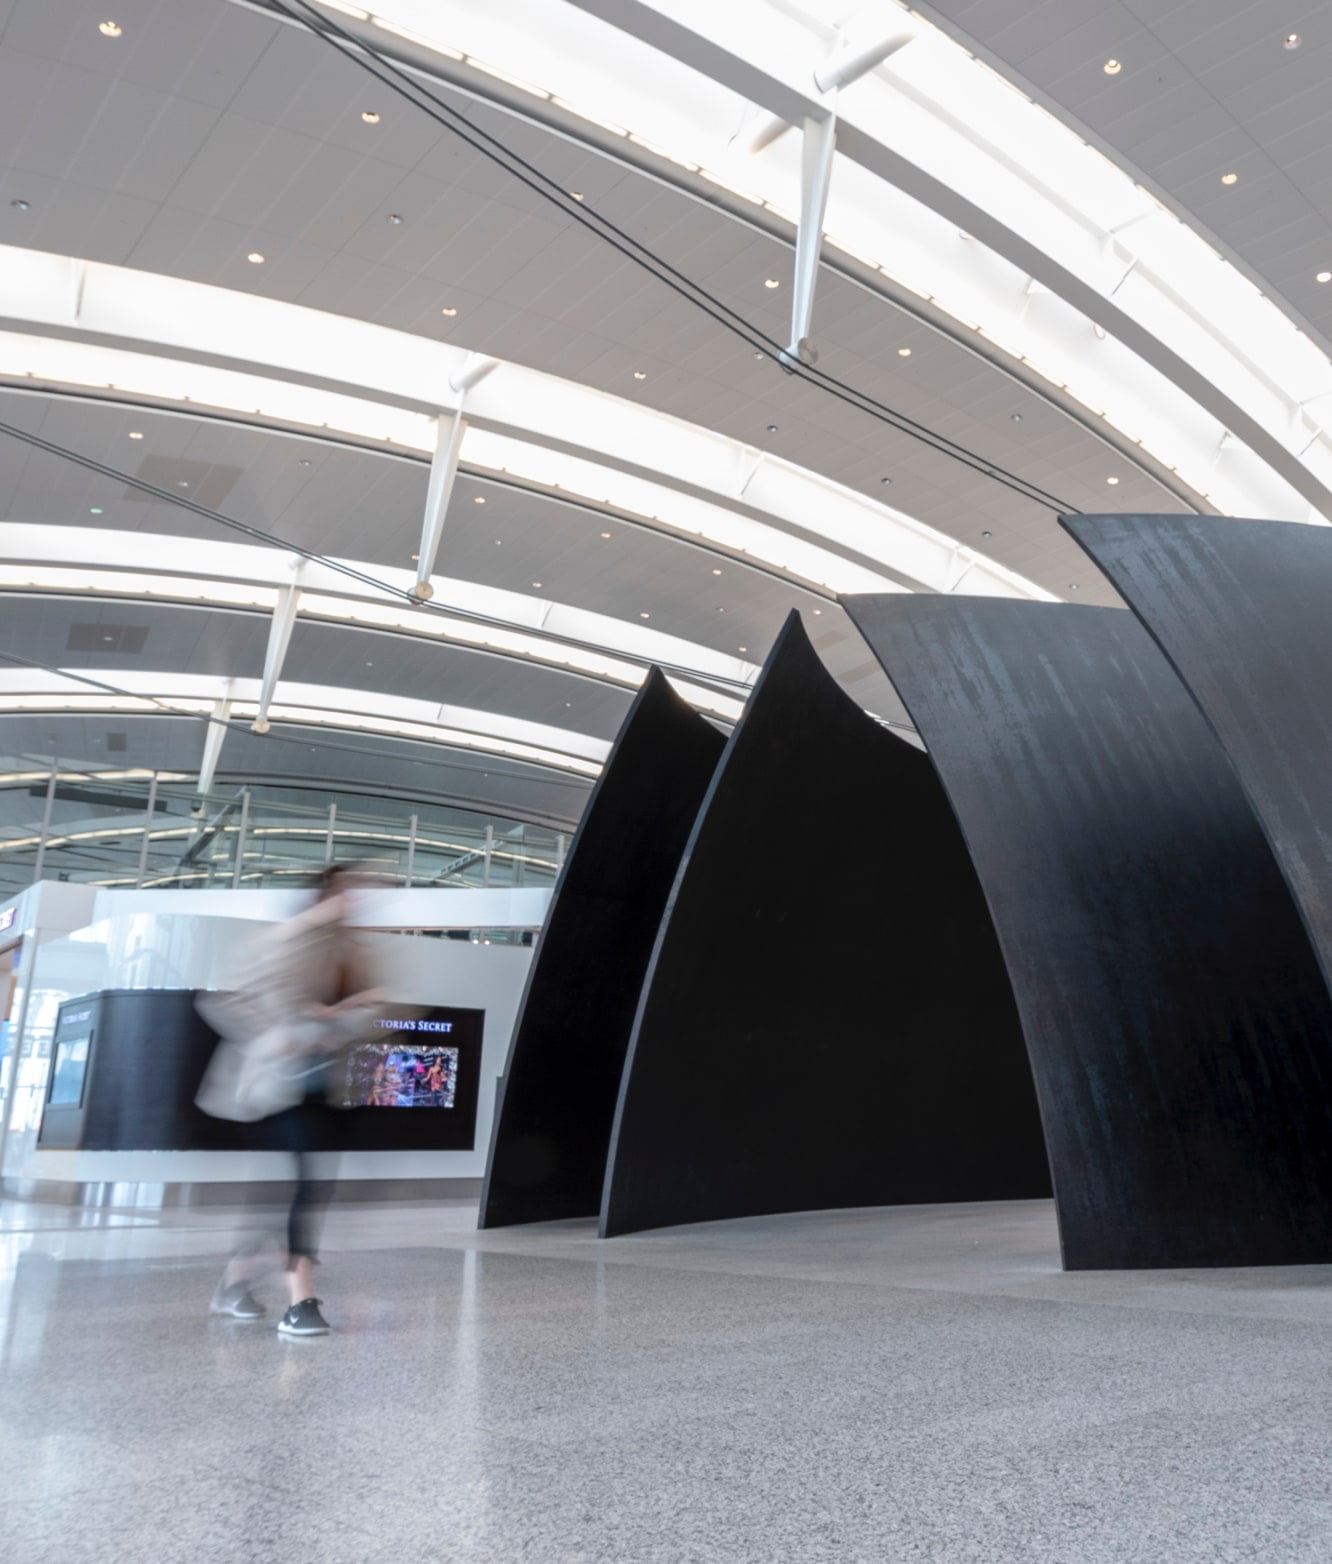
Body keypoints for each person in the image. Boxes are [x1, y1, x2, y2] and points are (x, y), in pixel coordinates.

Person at [201, 865, 384, 1337]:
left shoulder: (353, 953)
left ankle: (232, 1284)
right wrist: (289, 1030)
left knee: (296, 1192)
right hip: (272, 1091)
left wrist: (342, 1018)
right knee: (304, 1186)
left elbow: (380, 1009)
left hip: (325, 1091)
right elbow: (221, 999)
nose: (359, 902)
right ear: (325, 896)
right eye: (351, 892)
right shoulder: (280, 940)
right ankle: (301, 1301)